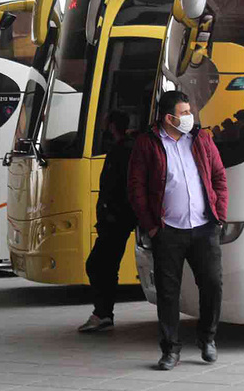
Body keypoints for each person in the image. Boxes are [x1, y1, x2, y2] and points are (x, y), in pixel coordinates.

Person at [128, 91, 228, 371]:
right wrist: (151, 226)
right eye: (184, 113)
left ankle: (208, 339)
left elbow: (219, 176)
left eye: (189, 112)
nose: (189, 117)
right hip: (168, 231)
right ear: (169, 117)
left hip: (204, 228)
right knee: (168, 293)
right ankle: (170, 350)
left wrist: (219, 214)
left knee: (211, 284)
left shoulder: (201, 139)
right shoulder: (148, 144)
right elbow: (136, 188)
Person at [78, 110, 138, 333]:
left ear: (112, 126)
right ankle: (103, 313)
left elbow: (117, 188)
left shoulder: (122, 151)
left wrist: (110, 213)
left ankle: (102, 313)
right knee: (105, 266)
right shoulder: (126, 148)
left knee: (97, 265)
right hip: (116, 218)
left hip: (116, 219)